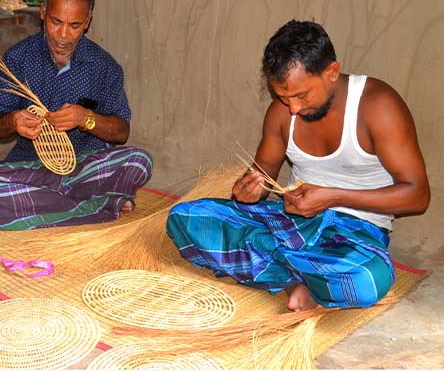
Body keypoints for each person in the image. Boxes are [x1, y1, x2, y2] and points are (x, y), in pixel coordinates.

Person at [166, 20, 430, 311]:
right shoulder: (280, 114)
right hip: (291, 222)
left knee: (366, 279)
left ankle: (276, 266)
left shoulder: (378, 106)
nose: (292, 108)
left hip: (355, 232)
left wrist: (333, 196)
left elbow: (418, 196)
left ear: (331, 72)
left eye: (301, 95)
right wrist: (250, 191)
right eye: (282, 96)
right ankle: (296, 282)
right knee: (185, 217)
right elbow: (263, 177)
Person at [0, 0, 153, 230]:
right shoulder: (18, 58)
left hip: (85, 166)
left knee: (139, 161)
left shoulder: (105, 66)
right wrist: (12, 121)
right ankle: (97, 207)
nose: (63, 34)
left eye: (74, 25)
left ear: (87, 22)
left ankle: (53, 205)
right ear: (42, 12)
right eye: (55, 21)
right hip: (29, 167)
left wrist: (86, 119)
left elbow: (121, 132)